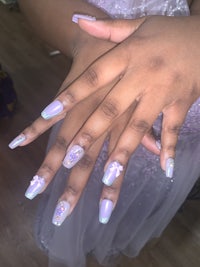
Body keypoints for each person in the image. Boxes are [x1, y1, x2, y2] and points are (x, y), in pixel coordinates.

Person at [10, 0, 200, 266]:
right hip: (95, 111)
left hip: (188, 107)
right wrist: (97, 47)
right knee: (84, 180)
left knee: (143, 204)